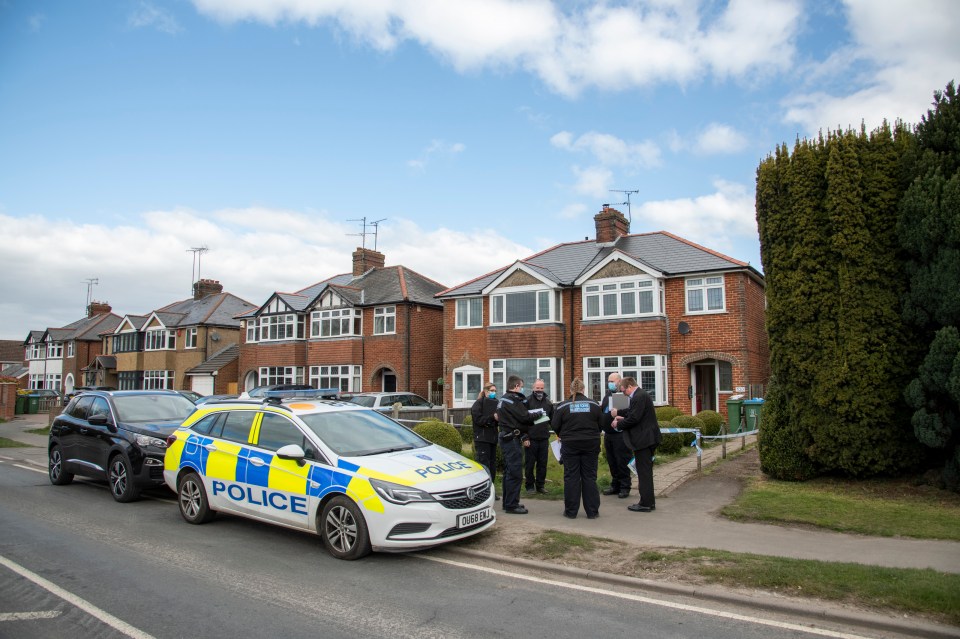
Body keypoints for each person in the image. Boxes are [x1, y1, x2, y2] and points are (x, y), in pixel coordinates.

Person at [551, 378, 602, 519]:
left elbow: (555, 425)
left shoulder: (562, 406)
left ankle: (571, 511)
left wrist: (562, 433)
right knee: (590, 477)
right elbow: (601, 423)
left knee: (571, 477)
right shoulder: (594, 404)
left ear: (571, 390)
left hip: (570, 445)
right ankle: (592, 512)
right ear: (583, 390)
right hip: (591, 444)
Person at [612, 377, 661, 513]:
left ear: (629, 386)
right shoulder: (640, 395)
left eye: (624, 391)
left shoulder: (639, 396)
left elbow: (634, 418)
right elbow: (633, 413)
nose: (624, 394)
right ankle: (648, 501)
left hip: (644, 440)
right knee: (645, 471)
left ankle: (645, 503)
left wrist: (619, 423)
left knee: (643, 472)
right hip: (647, 439)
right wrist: (622, 415)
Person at [496, 375, 536, 514]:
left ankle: (508, 502)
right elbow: (524, 416)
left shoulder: (504, 399)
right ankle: (512, 504)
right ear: (517, 386)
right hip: (511, 439)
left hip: (508, 437)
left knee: (509, 471)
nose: (522, 389)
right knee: (515, 472)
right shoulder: (512, 400)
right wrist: (539, 415)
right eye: (521, 386)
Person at [599, 372, 632, 499]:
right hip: (608, 433)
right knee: (612, 461)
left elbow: (626, 413)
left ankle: (625, 486)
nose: (610, 384)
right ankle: (615, 484)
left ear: (619, 381)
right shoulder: (607, 395)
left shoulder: (623, 395)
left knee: (622, 460)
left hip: (620, 434)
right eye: (609, 381)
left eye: (613, 381)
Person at [470, 382, 500, 500]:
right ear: (486, 391)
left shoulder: (496, 403)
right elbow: (479, 420)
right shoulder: (478, 404)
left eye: (495, 391)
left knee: (492, 465)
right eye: (492, 390)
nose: (493, 393)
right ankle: (482, 492)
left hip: (492, 438)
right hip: (482, 438)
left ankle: (491, 490)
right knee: (484, 465)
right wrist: (492, 418)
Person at [524, 378, 553, 494]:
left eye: (541, 388)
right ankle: (529, 486)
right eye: (537, 388)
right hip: (531, 438)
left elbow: (553, 420)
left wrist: (560, 433)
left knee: (542, 464)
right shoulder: (527, 402)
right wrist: (525, 437)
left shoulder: (548, 403)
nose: (539, 390)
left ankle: (540, 486)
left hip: (544, 438)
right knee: (530, 464)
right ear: (533, 388)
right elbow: (523, 421)